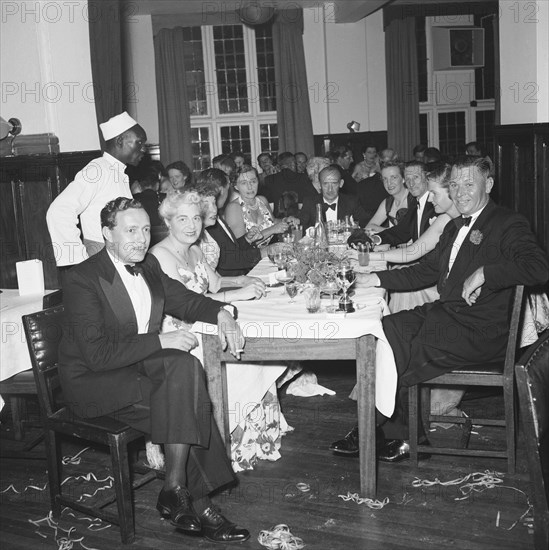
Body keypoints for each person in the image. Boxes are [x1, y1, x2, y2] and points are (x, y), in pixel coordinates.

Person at [330, 156, 549, 461]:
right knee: (386, 330)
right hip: (448, 316)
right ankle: (407, 437)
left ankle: (370, 430)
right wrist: (373, 277)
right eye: (455, 184)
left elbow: (539, 267)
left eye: (469, 184)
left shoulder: (507, 223)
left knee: (407, 350)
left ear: (488, 184)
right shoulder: (454, 226)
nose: (460, 192)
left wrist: (486, 272)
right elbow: (424, 272)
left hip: (481, 331)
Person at [59, 197, 250, 543]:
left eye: (146, 229)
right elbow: (98, 355)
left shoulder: (147, 266)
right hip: (93, 382)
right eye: (130, 230)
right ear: (107, 234)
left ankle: (174, 486)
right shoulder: (82, 279)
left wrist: (223, 312)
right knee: (189, 402)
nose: (142, 239)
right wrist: (162, 342)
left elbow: (185, 299)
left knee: (186, 369)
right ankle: (204, 507)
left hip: (135, 366)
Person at [150, 191, 289, 472]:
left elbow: (213, 284)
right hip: (181, 332)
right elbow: (188, 302)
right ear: (168, 221)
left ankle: (256, 436)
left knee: (252, 339)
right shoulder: (160, 256)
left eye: (196, 218)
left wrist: (242, 280)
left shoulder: (194, 248)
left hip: (206, 318)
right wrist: (237, 296)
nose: (191, 225)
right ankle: (229, 443)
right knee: (242, 354)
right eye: (182, 219)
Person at [46, 111, 146, 268]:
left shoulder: (118, 172)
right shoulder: (98, 169)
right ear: (120, 141)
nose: (144, 149)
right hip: (102, 258)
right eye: (139, 143)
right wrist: (78, 262)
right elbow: (59, 210)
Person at [192, 169, 264, 276]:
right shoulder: (207, 223)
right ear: (222, 190)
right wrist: (265, 252)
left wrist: (246, 239)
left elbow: (228, 249)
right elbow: (227, 260)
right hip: (229, 283)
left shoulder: (215, 216)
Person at [225, 165, 297, 247]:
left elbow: (272, 221)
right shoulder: (234, 208)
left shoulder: (262, 200)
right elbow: (240, 245)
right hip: (249, 257)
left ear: (258, 182)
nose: (250, 187)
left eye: (253, 181)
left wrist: (286, 220)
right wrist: (272, 230)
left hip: (268, 252)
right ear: (236, 186)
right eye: (244, 183)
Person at [371, 161, 437, 248]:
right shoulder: (416, 204)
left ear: (427, 177)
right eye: (408, 179)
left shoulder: (435, 205)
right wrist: (374, 239)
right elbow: (401, 232)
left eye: (416, 177)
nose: (411, 183)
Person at [298, 165, 368, 230]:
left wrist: (355, 228)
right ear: (319, 185)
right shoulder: (310, 202)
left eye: (334, 183)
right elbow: (301, 227)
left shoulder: (351, 202)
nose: (330, 189)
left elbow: (366, 224)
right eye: (325, 184)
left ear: (341, 183)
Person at [366, 161, 413, 232]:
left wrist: (391, 233)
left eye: (393, 177)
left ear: (403, 179)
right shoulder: (388, 202)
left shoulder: (414, 199)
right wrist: (390, 232)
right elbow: (369, 227)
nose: (389, 183)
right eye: (385, 179)